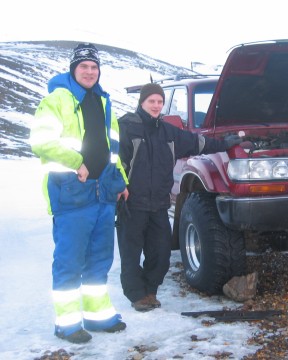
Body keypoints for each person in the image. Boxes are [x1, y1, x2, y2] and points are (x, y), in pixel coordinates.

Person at [29, 43, 129, 344]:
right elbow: (41, 142)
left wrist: (121, 180)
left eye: (94, 67)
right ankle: (67, 323)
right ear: (73, 69)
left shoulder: (103, 101)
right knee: (70, 260)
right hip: (71, 191)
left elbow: (112, 150)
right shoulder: (57, 99)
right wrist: (77, 163)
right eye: (83, 66)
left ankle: (97, 317)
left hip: (103, 192)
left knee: (100, 259)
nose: (89, 72)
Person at [116, 83, 242, 312]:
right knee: (130, 251)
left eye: (159, 102)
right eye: (151, 101)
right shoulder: (126, 126)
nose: (155, 105)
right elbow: (116, 160)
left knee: (161, 251)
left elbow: (198, 143)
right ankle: (137, 295)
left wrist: (225, 144)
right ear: (142, 102)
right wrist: (118, 187)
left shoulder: (168, 132)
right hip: (132, 203)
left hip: (158, 204)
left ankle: (150, 289)